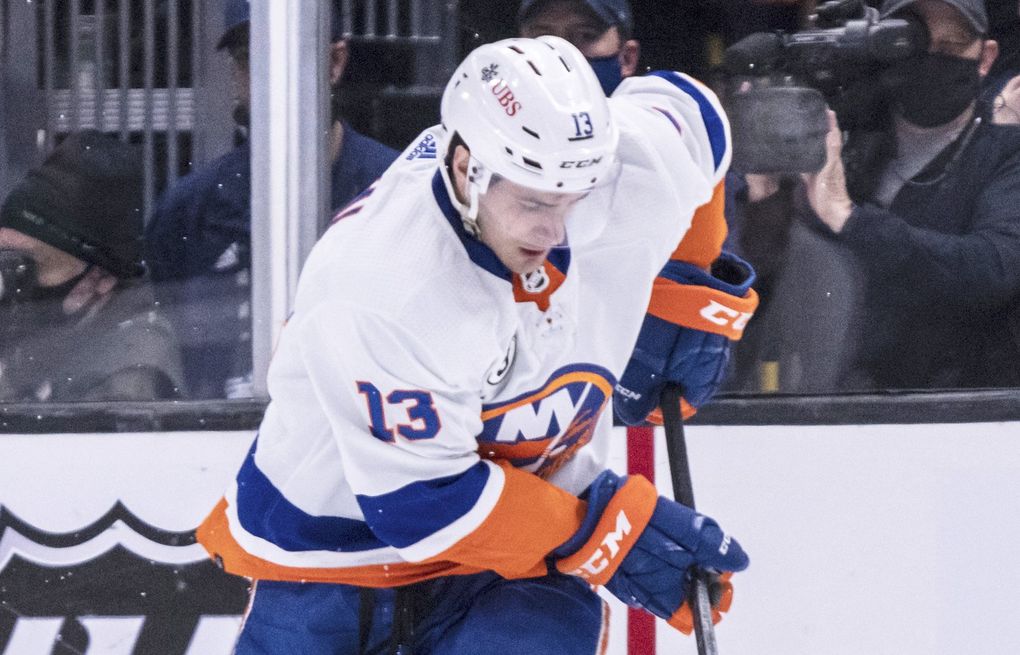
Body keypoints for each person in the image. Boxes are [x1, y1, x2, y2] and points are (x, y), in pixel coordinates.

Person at [197, 36, 756, 654]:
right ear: (467, 169)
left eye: (574, 199)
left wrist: (682, 286)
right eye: (534, 202)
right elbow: (422, 505)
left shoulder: (621, 173)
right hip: (329, 558)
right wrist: (599, 530)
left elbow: (696, 115)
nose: (556, 229)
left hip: (514, 568)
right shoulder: (383, 287)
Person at [733, 0, 1020, 391]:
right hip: (828, 413)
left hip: (961, 417)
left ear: (985, 58)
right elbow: (760, 305)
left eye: (951, 47)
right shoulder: (839, 140)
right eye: (912, 42)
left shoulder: (1004, 152)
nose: (931, 59)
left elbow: (994, 268)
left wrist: (850, 219)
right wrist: (763, 198)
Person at [143, 0, 398, 399]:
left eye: (292, 56)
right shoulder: (188, 210)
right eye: (251, 58)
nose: (268, 77)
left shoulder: (400, 190)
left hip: (363, 443)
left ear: (335, 62)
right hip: (212, 445)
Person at [0, 130, 183, 401]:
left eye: (29, 264)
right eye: (4, 259)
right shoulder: (45, 338)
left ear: (102, 279)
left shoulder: (130, 362)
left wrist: (17, 377)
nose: (9, 281)